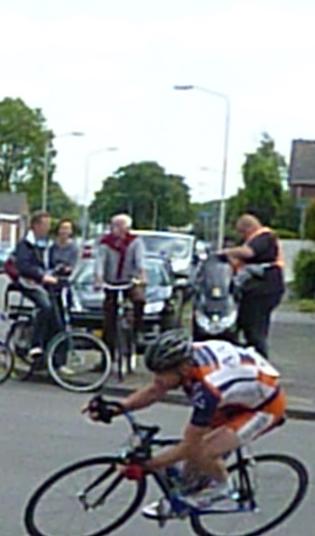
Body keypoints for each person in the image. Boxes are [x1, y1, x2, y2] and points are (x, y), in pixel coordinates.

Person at [89, 330, 284, 516]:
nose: (157, 379)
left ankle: (222, 488)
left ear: (182, 369)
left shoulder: (208, 389)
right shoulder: (185, 360)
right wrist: (118, 408)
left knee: (203, 450)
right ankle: (187, 493)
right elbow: (155, 390)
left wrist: (150, 465)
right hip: (234, 394)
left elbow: (190, 446)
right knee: (192, 458)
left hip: (263, 407)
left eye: (162, 374)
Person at [218, 210, 284, 357]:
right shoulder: (259, 239)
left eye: (242, 232)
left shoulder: (264, 237)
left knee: (255, 328)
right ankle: (250, 355)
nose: (242, 236)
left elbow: (249, 253)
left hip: (263, 289)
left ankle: (260, 358)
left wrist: (227, 252)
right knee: (246, 324)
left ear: (249, 228)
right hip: (259, 290)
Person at [8, 212, 68, 361]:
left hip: (40, 282)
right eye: (45, 225)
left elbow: (45, 264)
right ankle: (36, 344)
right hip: (28, 283)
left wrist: (58, 270)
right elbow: (24, 266)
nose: (47, 228)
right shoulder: (25, 244)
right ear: (35, 225)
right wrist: (42, 276)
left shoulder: (44, 244)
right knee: (45, 306)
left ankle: (52, 356)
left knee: (57, 315)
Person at [95, 213, 148, 359]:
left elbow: (140, 262)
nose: (115, 229)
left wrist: (142, 276)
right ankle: (107, 357)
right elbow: (99, 262)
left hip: (129, 281)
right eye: (114, 226)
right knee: (109, 318)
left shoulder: (135, 242)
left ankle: (137, 331)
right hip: (111, 283)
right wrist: (98, 279)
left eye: (119, 226)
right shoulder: (105, 243)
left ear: (127, 228)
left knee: (139, 300)